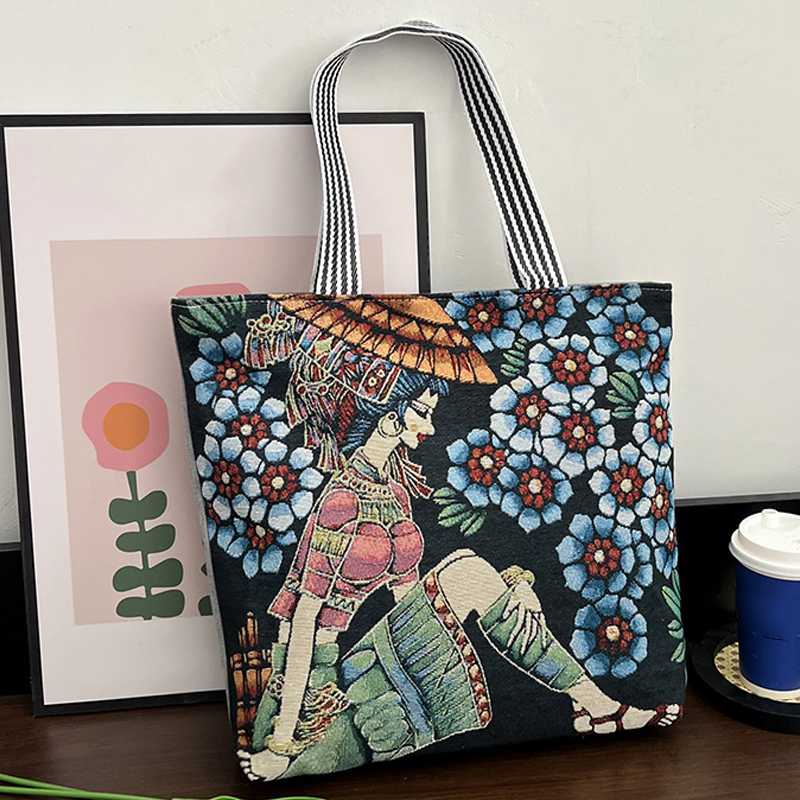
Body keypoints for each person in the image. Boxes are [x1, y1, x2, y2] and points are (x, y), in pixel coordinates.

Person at [238, 296, 679, 780]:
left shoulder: (392, 492)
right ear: (388, 413)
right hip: (311, 694)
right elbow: (303, 621)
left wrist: (506, 590)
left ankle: (596, 705)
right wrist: (281, 743)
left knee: (470, 570)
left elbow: (408, 604)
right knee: (467, 570)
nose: (430, 426)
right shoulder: (341, 499)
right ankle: (597, 707)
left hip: (371, 666)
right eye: (421, 412)